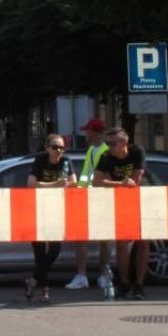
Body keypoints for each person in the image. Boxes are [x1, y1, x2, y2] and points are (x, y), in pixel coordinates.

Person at [94, 127, 147, 299]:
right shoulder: (106, 157)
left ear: (124, 142)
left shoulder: (137, 152)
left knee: (143, 242)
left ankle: (139, 285)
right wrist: (120, 184)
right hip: (120, 203)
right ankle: (124, 283)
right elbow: (96, 181)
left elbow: (135, 180)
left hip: (141, 201)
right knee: (121, 243)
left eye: (113, 143)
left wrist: (116, 182)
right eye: (107, 143)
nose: (109, 147)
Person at [25, 134, 75, 304]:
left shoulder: (66, 161)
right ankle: (45, 290)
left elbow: (73, 181)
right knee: (39, 252)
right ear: (47, 148)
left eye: (61, 147)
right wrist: (54, 185)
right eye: (55, 147)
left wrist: (66, 184)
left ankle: (33, 280)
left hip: (56, 210)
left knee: (54, 248)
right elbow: (31, 183)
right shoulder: (40, 160)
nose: (59, 150)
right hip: (37, 209)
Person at [66, 117, 112, 290]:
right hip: (87, 199)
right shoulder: (91, 150)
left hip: (102, 199)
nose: (85, 134)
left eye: (87, 131)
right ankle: (82, 276)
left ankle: (104, 275)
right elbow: (86, 174)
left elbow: (99, 176)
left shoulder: (107, 151)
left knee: (104, 239)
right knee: (82, 237)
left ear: (94, 133)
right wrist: (80, 191)